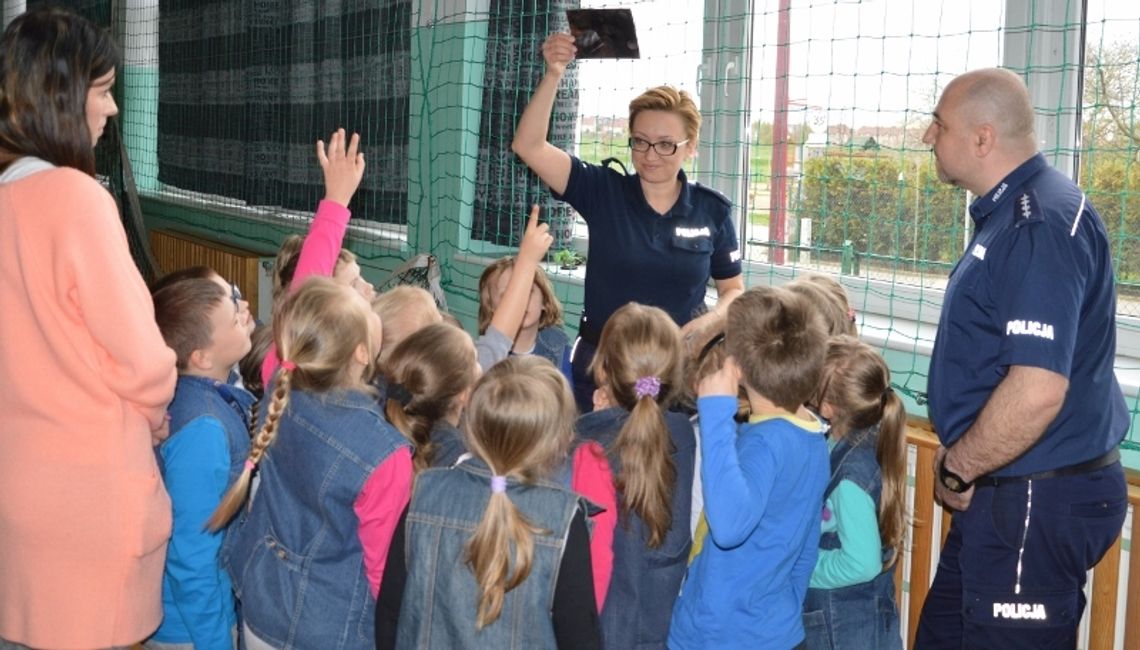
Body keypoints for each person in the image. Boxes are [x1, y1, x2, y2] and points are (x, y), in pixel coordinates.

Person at [917, 68, 1129, 648]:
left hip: (1033, 498)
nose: (927, 137)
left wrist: (960, 466)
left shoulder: (1039, 226)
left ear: (982, 138)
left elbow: (1037, 388)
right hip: (1006, 494)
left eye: (939, 125)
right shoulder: (1013, 214)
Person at [0, 8, 179, 648]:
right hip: (89, 505)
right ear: (60, 97)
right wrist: (157, 412)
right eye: (101, 91)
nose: (109, 111)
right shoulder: (77, 199)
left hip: (19, 499)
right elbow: (146, 362)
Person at [512, 32, 744, 412]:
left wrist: (709, 323)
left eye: (666, 144)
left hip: (675, 374)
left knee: (666, 465)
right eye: (641, 141)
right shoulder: (603, 191)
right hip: (602, 370)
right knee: (597, 465)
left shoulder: (712, 211)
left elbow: (733, 289)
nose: (651, 155)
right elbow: (529, 146)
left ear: (690, 146)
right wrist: (554, 73)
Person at [210, 278, 411, 650]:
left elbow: (305, 300)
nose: (373, 298)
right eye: (367, 306)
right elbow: (382, 571)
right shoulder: (387, 454)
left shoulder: (279, 386)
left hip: (260, 605)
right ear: (362, 353)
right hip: (327, 629)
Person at [375, 356, 602, 649]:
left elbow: (390, 613)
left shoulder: (425, 493)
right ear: (558, 442)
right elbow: (580, 636)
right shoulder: (563, 520)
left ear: (471, 423)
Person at [669, 286, 829, 650]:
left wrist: (715, 413)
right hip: (775, 631)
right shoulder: (813, 437)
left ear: (737, 367)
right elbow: (805, 548)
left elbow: (727, 527)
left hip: (721, 636)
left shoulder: (764, 442)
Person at [576, 303, 694, 649]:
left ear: (602, 369)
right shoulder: (683, 434)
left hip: (602, 631)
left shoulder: (585, 448)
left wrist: (591, 422)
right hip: (657, 627)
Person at [149, 277, 256, 649]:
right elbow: (191, 556)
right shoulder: (204, 431)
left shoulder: (198, 394)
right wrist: (215, 641)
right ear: (202, 357)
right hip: (191, 628)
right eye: (232, 318)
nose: (244, 314)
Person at [802, 336, 905, 650]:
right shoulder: (866, 434)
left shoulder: (850, 478)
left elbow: (862, 563)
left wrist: (805, 568)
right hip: (855, 618)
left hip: (842, 625)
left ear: (829, 407)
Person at [260, 128, 370, 384]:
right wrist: (336, 202)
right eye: (353, 284)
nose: (368, 288)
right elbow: (307, 290)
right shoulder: (292, 367)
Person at [383, 322, 480, 470]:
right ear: (465, 394)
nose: (480, 365)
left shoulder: (383, 422)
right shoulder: (462, 460)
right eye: (476, 359)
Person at [478, 255, 573, 385]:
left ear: (544, 302)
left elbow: (567, 401)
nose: (520, 303)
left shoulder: (559, 346)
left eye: (528, 292)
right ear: (491, 308)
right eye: (507, 296)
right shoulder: (486, 358)